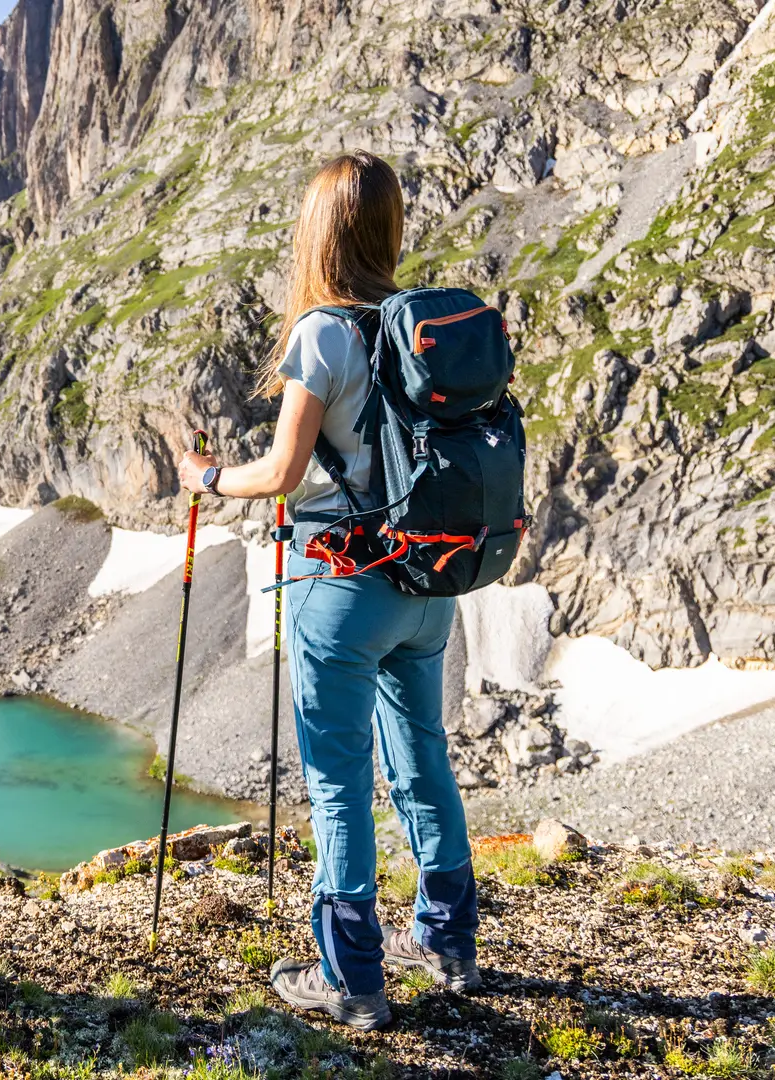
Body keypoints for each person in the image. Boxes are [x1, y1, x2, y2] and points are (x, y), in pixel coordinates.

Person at [177, 151, 478, 1031]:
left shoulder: (324, 332)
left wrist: (205, 477)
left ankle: (350, 976)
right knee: (422, 753)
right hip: (430, 580)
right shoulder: (419, 327)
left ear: (320, 233)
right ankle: (449, 944)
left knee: (340, 780)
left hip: (343, 584)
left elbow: (281, 472)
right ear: (386, 228)